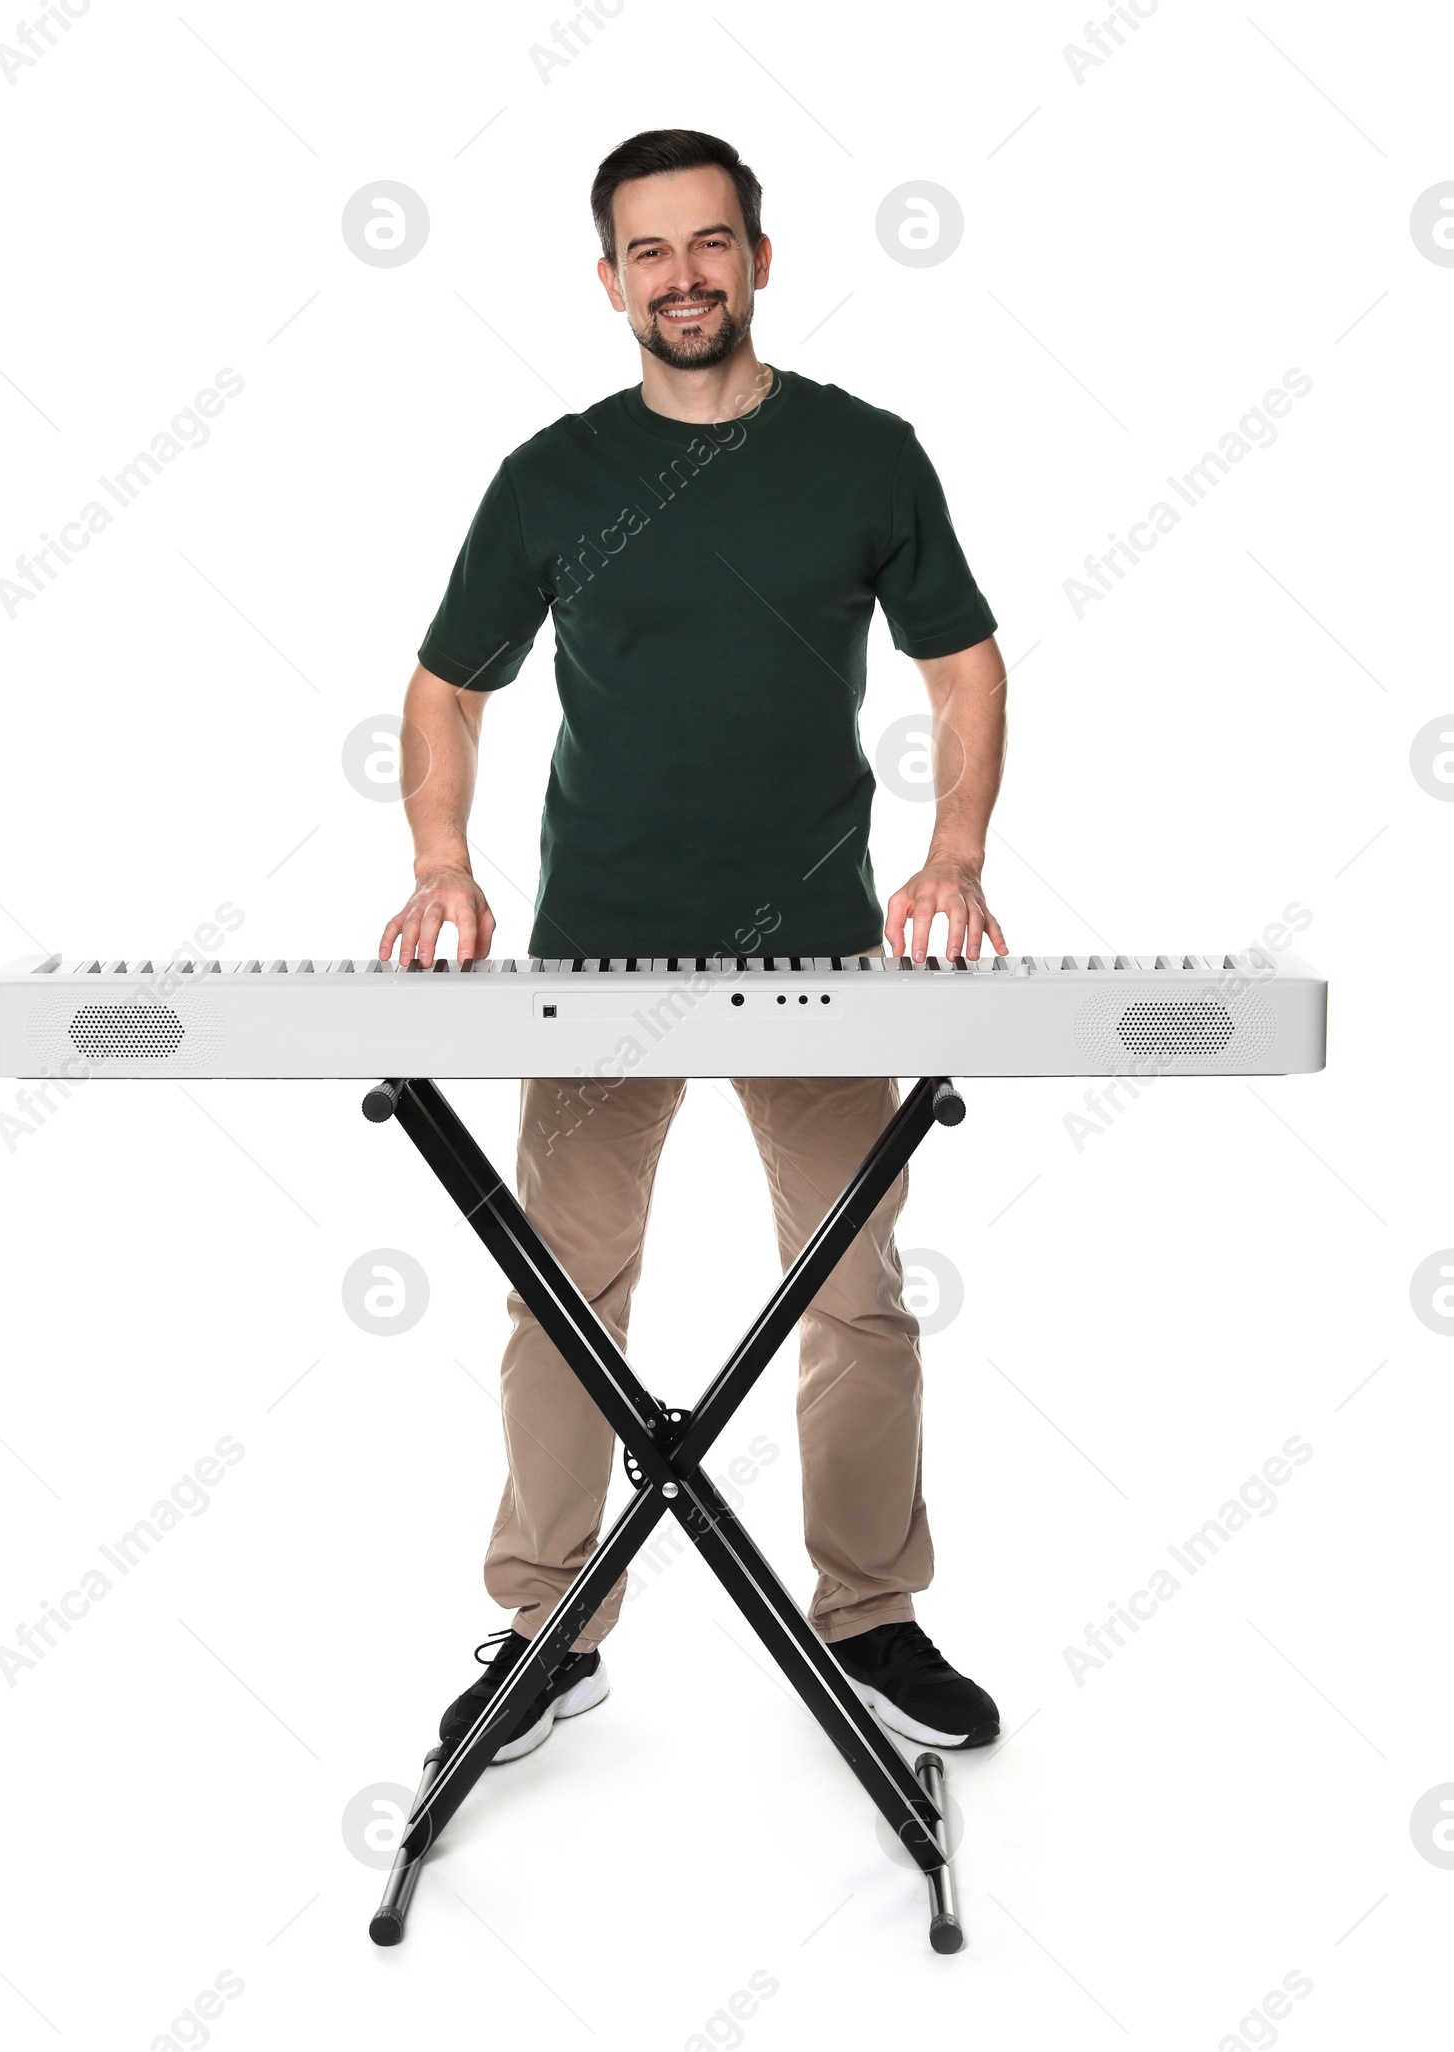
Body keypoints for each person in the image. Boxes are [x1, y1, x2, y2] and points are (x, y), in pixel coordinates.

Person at [379, 128, 1008, 1764]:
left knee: (858, 1293)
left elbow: (966, 663)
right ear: (608, 282)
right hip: (600, 956)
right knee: (563, 1295)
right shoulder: (552, 475)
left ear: (760, 257)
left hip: (814, 952)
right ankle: (546, 1627)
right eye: (648, 253)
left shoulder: (867, 456)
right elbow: (450, 684)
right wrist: (441, 859)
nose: (683, 276)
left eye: (709, 243)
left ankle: (870, 1615)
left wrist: (954, 854)